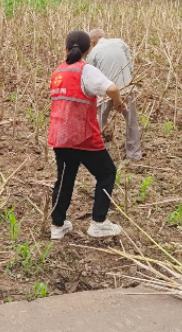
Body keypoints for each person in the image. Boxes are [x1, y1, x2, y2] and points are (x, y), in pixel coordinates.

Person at [48, 30, 127, 240]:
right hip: (83, 136)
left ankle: (57, 225)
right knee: (107, 173)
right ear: (88, 50)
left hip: (60, 136)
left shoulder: (58, 73)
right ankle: (98, 223)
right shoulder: (86, 70)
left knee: (65, 179)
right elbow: (111, 88)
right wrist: (118, 103)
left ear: (65, 49)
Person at [87, 29, 142, 160]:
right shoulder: (120, 42)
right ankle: (134, 154)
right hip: (127, 88)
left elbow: (91, 76)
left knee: (100, 120)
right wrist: (126, 79)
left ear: (93, 42)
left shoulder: (93, 52)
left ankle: (99, 150)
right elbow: (130, 63)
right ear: (104, 37)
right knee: (131, 121)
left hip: (107, 91)